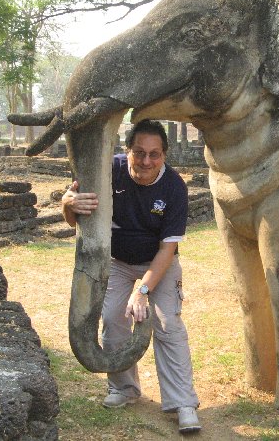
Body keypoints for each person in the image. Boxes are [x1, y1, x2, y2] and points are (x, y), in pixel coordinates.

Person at [61, 119, 201, 433]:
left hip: (158, 262)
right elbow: (74, 219)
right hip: (118, 260)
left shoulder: (175, 187)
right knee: (112, 319)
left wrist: (144, 291)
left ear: (165, 155)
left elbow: (168, 250)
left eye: (154, 154)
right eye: (139, 152)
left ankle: (183, 403)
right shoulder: (108, 170)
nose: (146, 161)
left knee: (168, 325)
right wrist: (66, 204)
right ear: (127, 151)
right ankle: (123, 388)